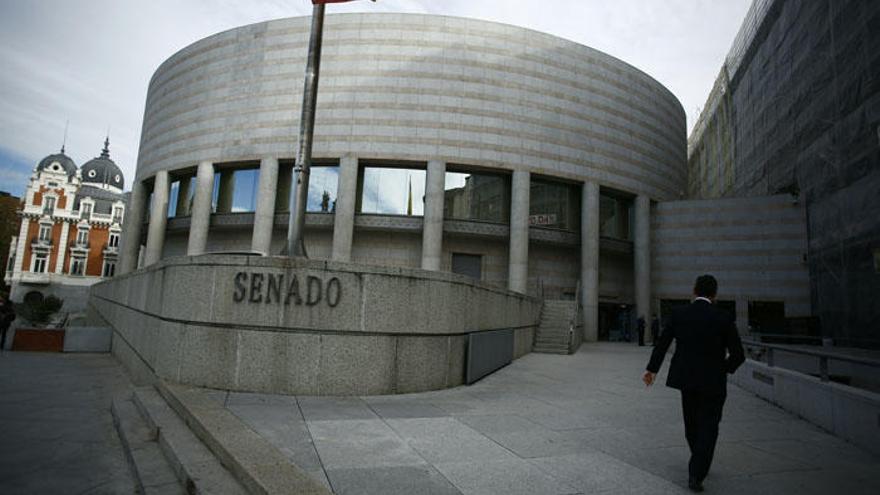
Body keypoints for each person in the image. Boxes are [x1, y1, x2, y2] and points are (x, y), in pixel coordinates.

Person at [642, 275, 745, 493]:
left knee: (692, 425)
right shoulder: (723, 317)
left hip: (687, 380)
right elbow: (738, 354)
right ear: (715, 294)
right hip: (714, 383)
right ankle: (697, 471)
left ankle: (697, 462)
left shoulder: (680, 314)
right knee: (709, 426)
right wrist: (723, 369)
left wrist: (652, 369)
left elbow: (663, 343)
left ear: (694, 290)